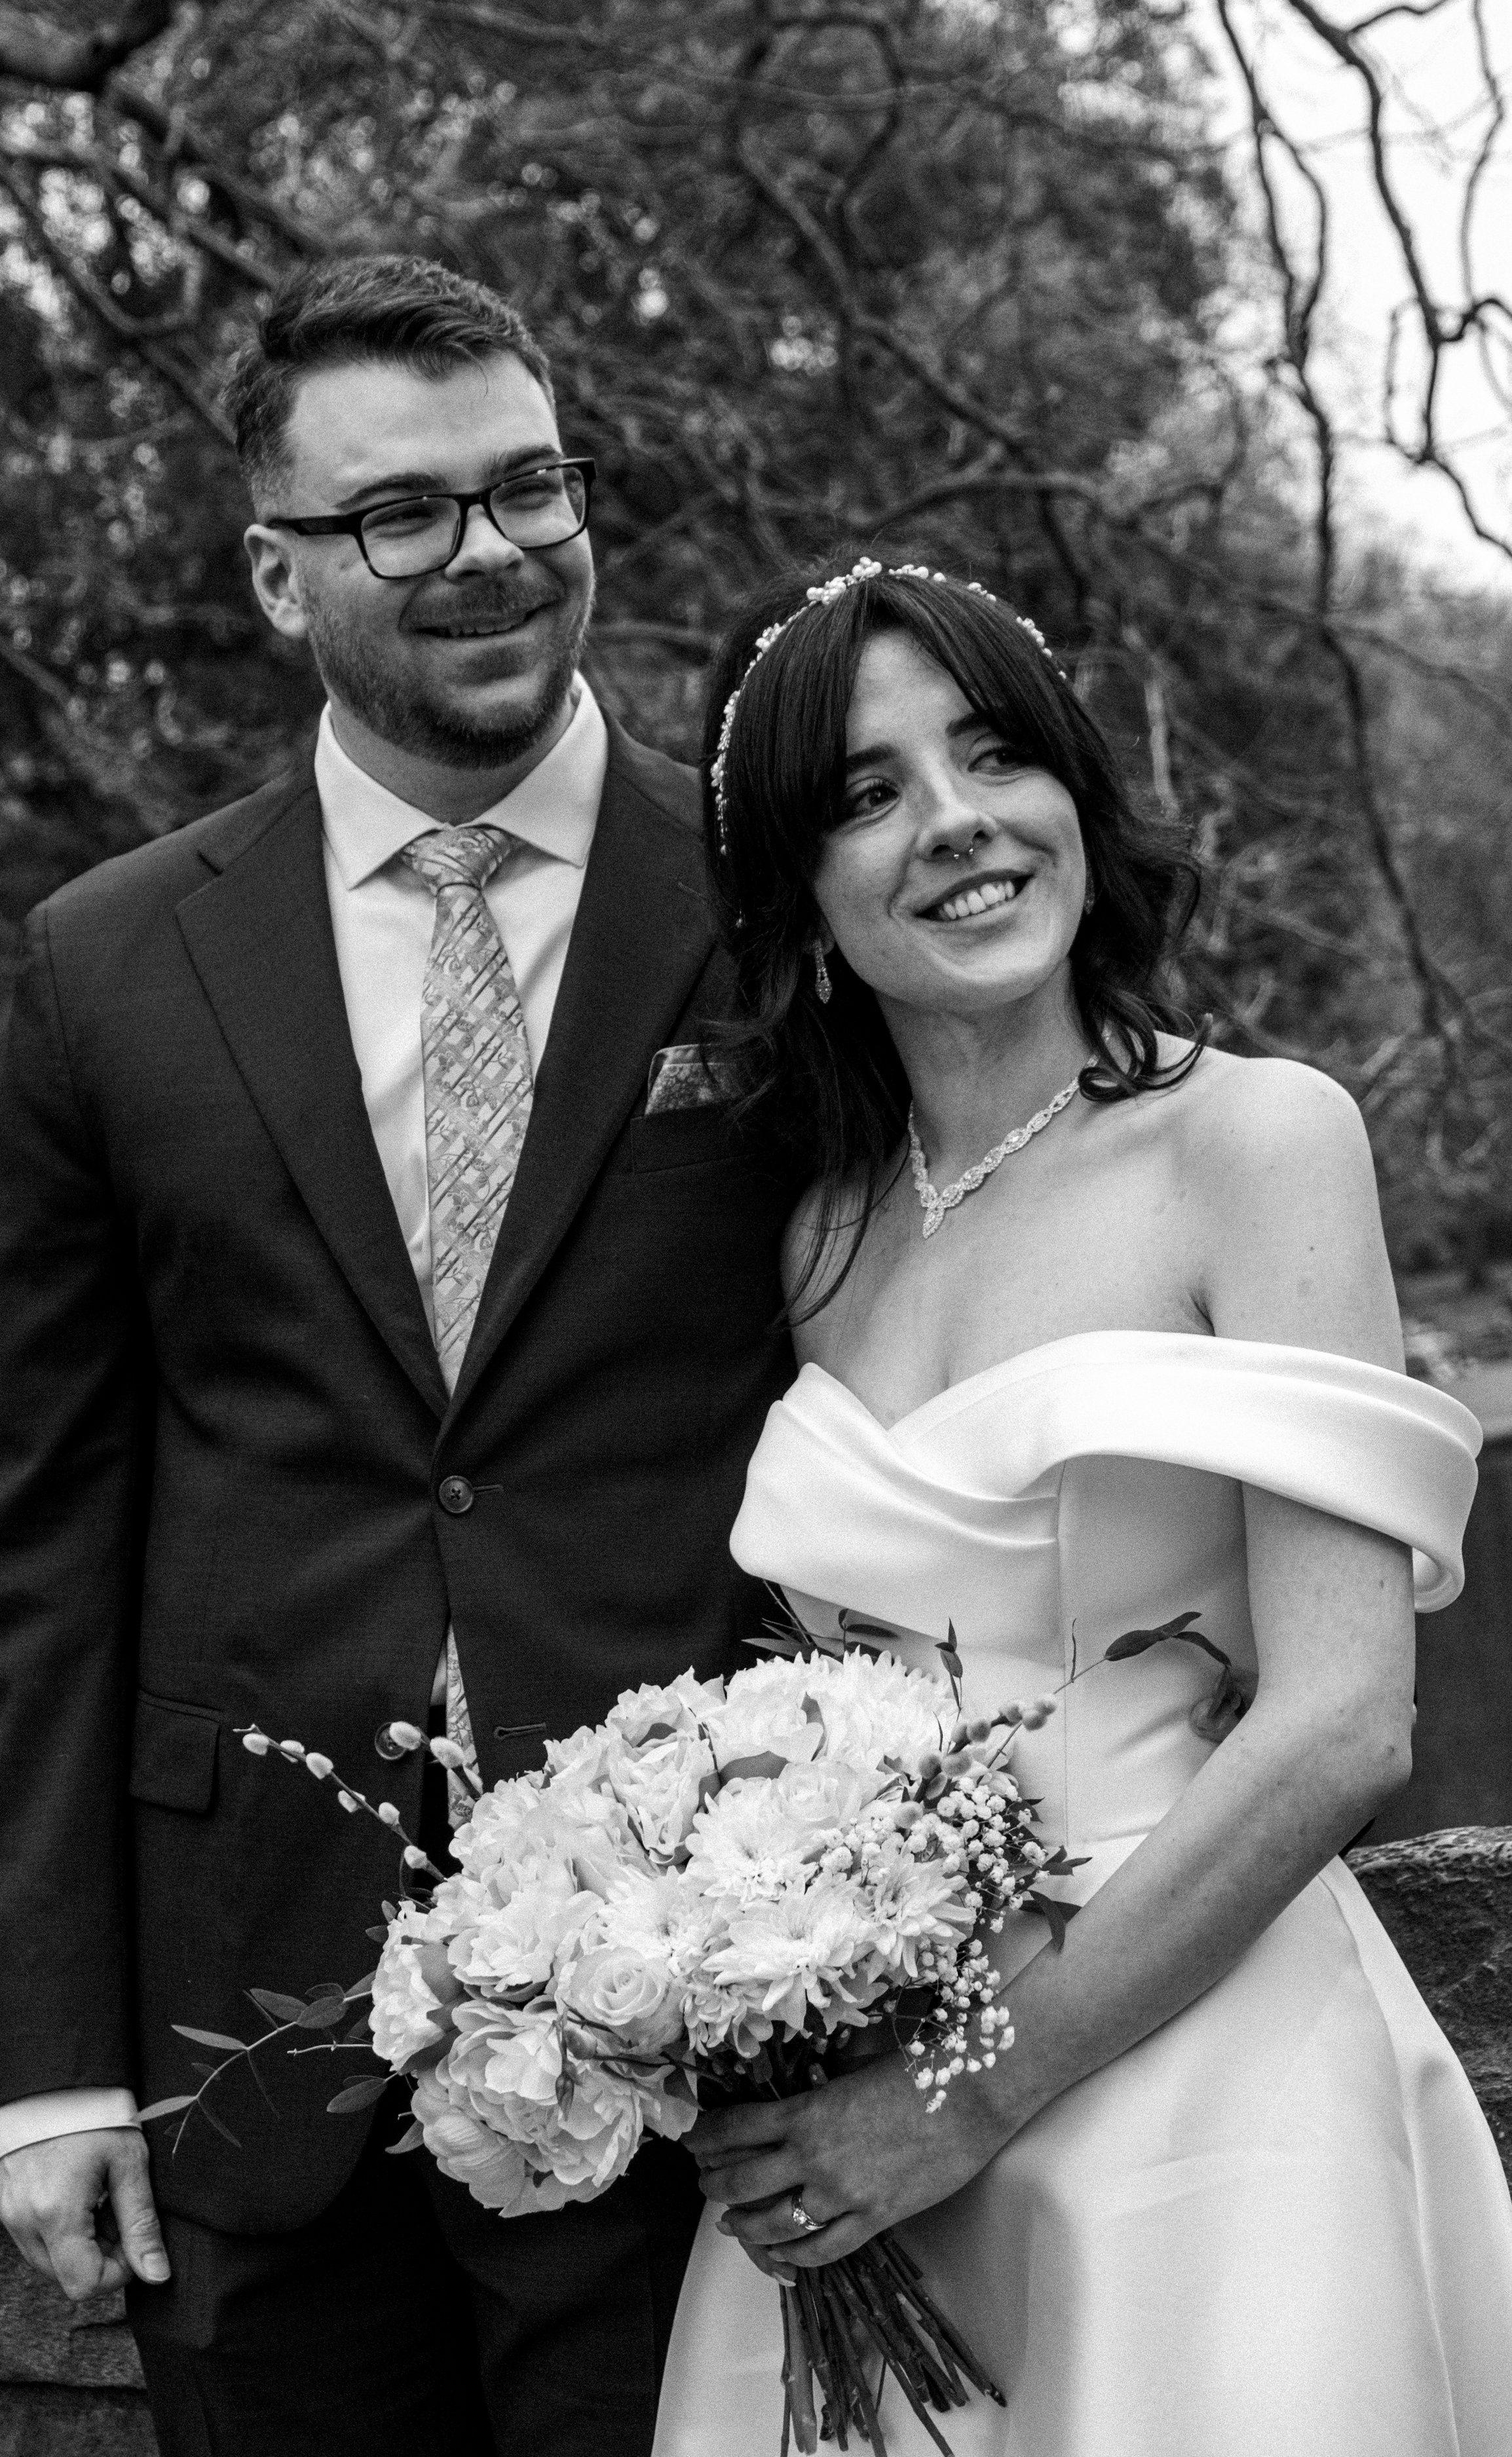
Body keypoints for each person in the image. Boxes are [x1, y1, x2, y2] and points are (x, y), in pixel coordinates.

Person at [0, 255, 796, 2457]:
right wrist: (49, 2060)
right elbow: (38, 1544)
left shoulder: (791, 895)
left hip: (706, 2025)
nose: (488, 550)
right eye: (401, 513)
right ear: (273, 572)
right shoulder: (109, 962)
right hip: (246, 2037)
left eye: (530, 488)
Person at [651, 558, 1512, 2456]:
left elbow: (1344, 1718)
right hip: (864, 2060)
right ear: (794, 888)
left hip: (1199, 2066)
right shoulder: (806, 1223)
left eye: (989, 756)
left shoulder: (1254, 1140)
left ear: (1071, 793)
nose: (952, 824)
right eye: (865, 795)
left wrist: (965, 2099)